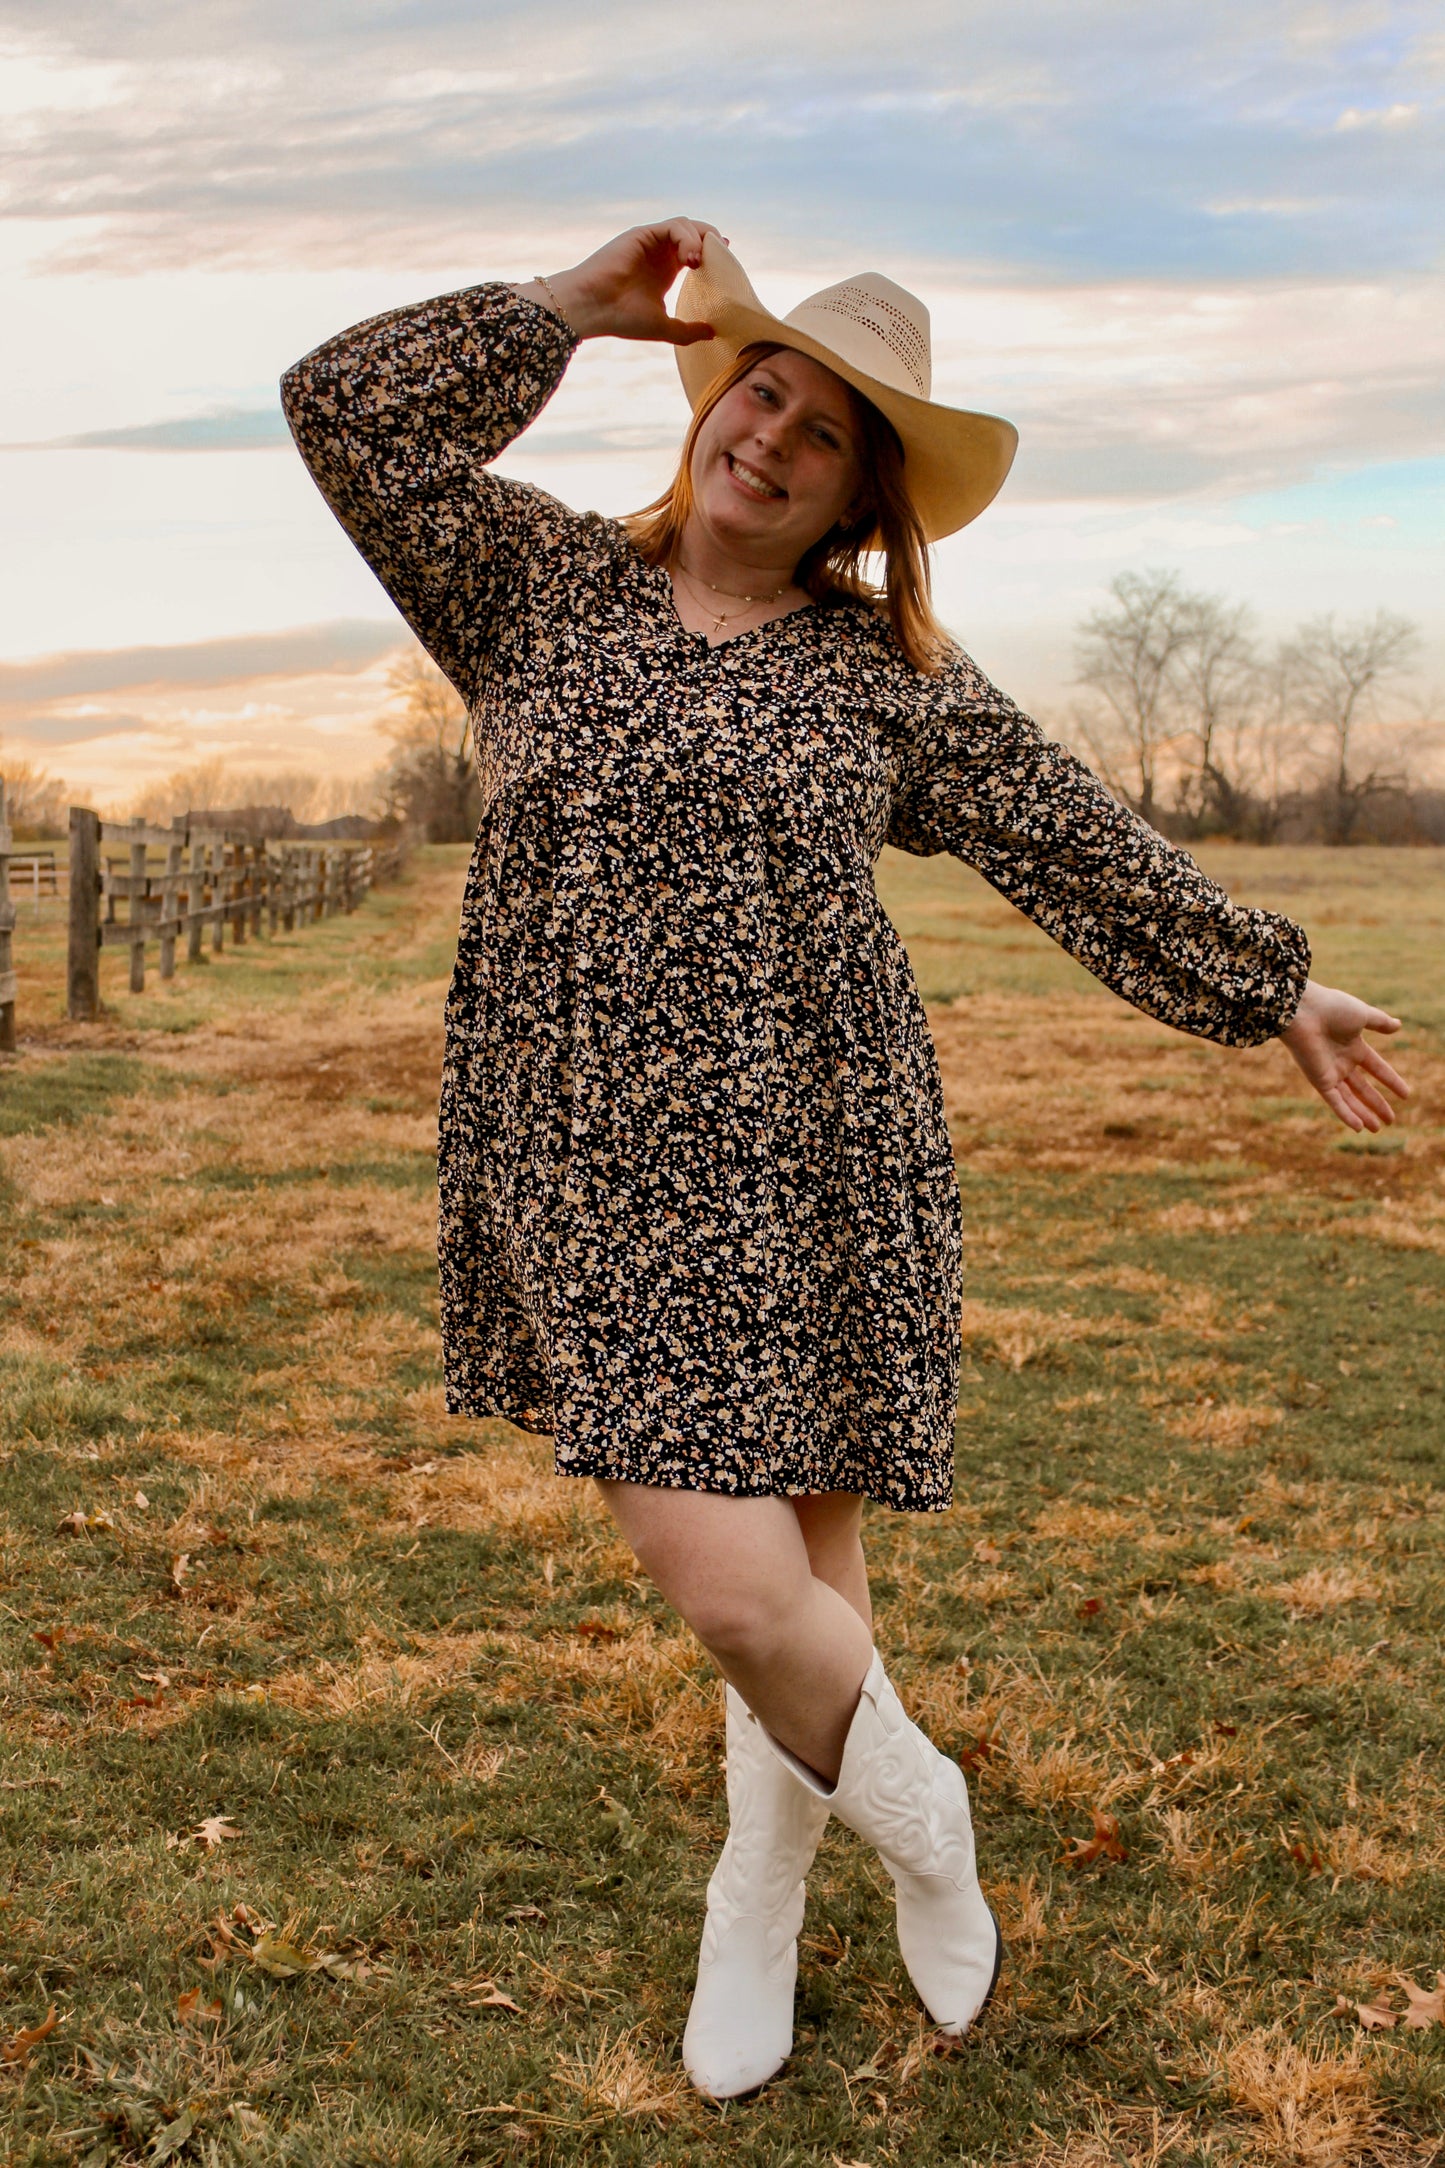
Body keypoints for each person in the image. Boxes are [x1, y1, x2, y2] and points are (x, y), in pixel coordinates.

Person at [280, 217, 1408, 2099]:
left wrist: (1264, 985)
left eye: (824, 434)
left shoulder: (882, 678)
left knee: (809, 1571)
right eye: (766, 391)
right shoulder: (528, 584)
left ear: (861, 499)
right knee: (735, 1590)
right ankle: (925, 1813)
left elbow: (1072, 837)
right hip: (588, 1159)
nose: (775, 439)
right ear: (715, 398)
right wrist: (568, 307)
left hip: (819, 1148)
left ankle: (759, 1896)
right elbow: (344, 415)